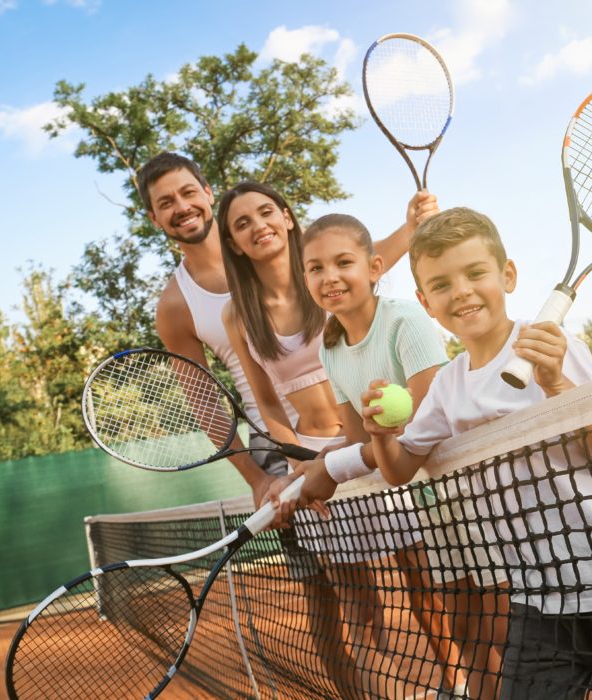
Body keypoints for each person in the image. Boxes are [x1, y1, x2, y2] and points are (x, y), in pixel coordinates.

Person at [284, 207, 592, 699]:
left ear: (507, 276)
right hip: (537, 596)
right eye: (440, 285)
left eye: (475, 273)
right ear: (425, 301)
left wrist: (556, 383)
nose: (459, 291)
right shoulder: (446, 386)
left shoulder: (554, 347)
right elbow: (399, 469)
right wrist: (379, 433)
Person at [140, 152, 426, 698]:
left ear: (206, 190)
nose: (181, 208)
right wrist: (258, 477)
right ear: (155, 218)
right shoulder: (178, 304)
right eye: (165, 203)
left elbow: (363, 264)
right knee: (330, 594)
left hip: (359, 425)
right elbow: (206, 402)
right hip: (280, 450)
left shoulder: (296, 256)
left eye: (187, 192)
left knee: (418, 568)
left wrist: (411, 227)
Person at [215, 181, 440, 693]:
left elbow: (367, 256)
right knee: (358, 603)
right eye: (241, 223)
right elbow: (266, 401)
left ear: (288, 217)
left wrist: (413, 221)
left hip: (373, 441)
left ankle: (459, 684)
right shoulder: (237, 312)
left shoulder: (324, 274)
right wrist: (299, 463)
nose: (258, 226)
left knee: (425, 580)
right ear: (232, 242)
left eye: (266, 212)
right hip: (319, 458)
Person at [289, 212, 505, 700]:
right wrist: (311, 470)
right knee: (468, 629)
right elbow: (353, 436)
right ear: (305, 280)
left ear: (375, 267)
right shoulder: (331, 348)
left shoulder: (405, 319)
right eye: (316, 268)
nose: (330, 277)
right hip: (431, 507)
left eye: (344, 262)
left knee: (505, 632)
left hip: (476, 495)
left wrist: (333, 467)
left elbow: (426, 424)